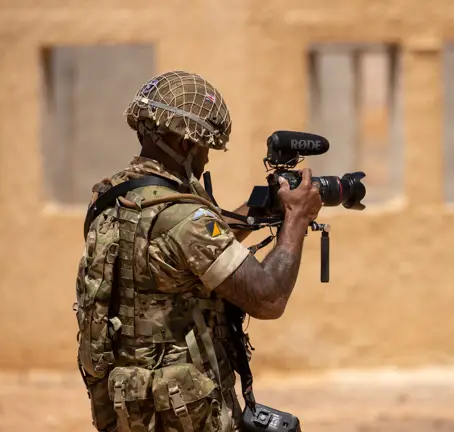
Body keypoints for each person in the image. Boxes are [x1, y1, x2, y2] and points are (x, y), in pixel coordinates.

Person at [74, 70, 322, 432]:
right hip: (184, 412)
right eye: (204, 147)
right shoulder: (187, 219)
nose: (206, 159)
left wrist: (255, 213)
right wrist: (296, 219)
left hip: (129, 407)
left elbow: (180, 253)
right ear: (187, 145)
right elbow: (268, 298)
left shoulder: (114, 198)